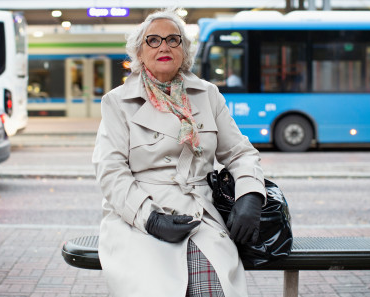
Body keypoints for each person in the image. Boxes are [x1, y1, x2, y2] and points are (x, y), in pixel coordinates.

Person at [92, 8, 266, 297]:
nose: (164, 46)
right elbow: (111, 172)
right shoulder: (117, 102)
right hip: (138, 218)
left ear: (184, 51)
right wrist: (151, 219)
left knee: (211, 287)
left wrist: (249, 195)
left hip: (200, 214)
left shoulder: (207, 94)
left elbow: (240, 153)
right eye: (153, 40)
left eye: (173, 40)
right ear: (139, 52)